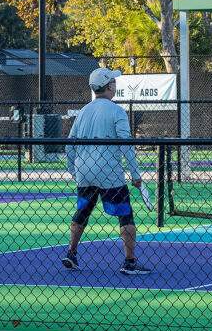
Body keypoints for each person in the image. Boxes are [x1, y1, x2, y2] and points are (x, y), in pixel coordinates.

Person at [63, 67, 150, 275]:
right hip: (109, 173)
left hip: (84, 172)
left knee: (82, 211)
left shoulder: (83, 112)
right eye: (113, 81)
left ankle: (71, 253)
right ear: (109, 86)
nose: (115, 84)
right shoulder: (117, 111)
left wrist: (74, 171)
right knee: (125, 215)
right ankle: (129, 261)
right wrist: (135, 175)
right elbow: (126, 145)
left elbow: (69, 145)